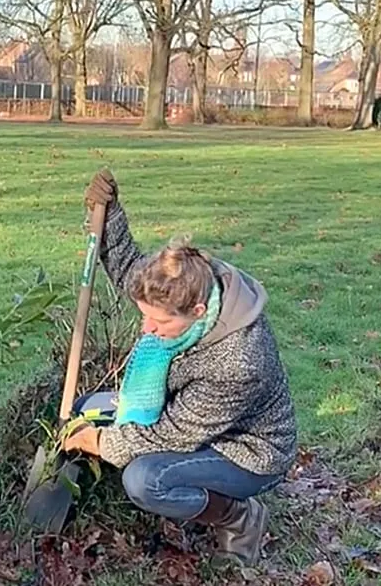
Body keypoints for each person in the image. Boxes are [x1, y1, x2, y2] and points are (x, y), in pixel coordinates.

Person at [63, 168, 297, 568]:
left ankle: (241, 518)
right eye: (145, 317)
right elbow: (128, 268)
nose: (147, 329)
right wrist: (109, 213)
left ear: (198, 312)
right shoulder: (183, 285)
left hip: (247, 451)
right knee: (88, 406)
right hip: (192, 416)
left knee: (144, 478)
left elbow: (175, 433)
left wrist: (101, 443)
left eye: (161, 324)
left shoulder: (239, 360)